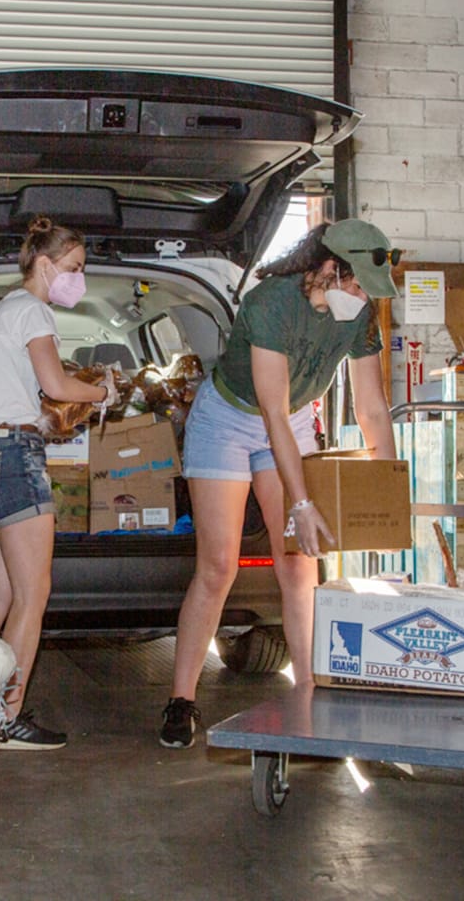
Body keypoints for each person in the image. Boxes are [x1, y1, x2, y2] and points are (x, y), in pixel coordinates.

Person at [159, 218, 400, 749]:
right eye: (358, 285)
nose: (363, 299)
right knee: (219, 566)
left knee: (298, 561)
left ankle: (310, 693)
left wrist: (390, 493)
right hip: (229, 418)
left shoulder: (360, 316)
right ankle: (181, 700)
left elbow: (372, 408)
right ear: (329, 268)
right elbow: (269, 409)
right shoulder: (269, 303)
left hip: (288, 420)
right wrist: (303, 500)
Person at [0, 214, 117, 750]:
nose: (80, 279)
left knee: (0, 592)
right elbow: (55, 383)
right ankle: (5, 718)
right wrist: (104, 392)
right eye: (73, 268)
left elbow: (27, 393)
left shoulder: (4, 310)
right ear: (45, 265)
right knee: (33, 595)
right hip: (12, 462)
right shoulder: (32, 310)